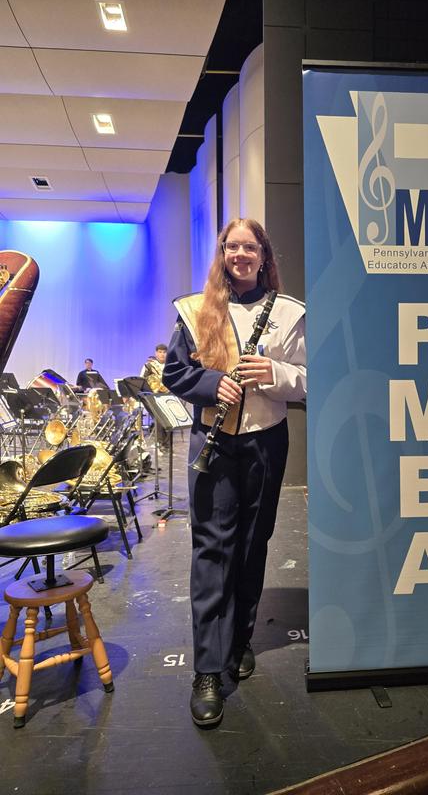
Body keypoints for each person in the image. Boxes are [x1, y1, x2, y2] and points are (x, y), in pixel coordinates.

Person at [163, 218, 306, 728]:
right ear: (222, 253)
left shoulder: (290, 313)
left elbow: (314, 379)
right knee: (211, 550)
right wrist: (211, 384)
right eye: (232, 246)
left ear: (264, 255)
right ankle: (207, 669)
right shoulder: (195, 309)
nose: (241, 254)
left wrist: (277, 374)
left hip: (266, 442)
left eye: (250, 247)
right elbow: (174, 372)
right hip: (214, 444)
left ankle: (240, 640)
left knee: (253, 543)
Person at [140, 344, 169, 451]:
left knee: (167, 418)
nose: (162, 354)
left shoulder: (170, 366)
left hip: (168, 395)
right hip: (154, 396)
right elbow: (141, 380)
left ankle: (166, 443)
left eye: (164, 352)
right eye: (160, 352)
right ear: (156, 353)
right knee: (158, 417)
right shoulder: (149, 366)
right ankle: (160, 442)